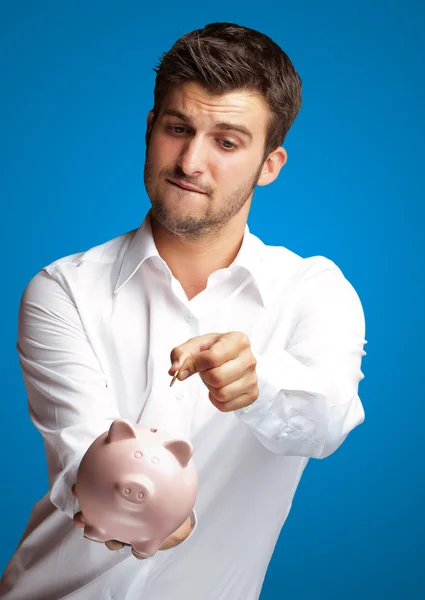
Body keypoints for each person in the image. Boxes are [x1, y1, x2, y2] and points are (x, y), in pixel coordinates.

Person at [0, 21, 367, 600]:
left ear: (270, 165)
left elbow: (329, 421)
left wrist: (258, 382)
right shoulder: (63, 289)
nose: (191, 161)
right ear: (151, 129)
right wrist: (133, 507)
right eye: (178, 128)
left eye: (226, 141)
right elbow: (81, 456)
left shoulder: (312, 289)